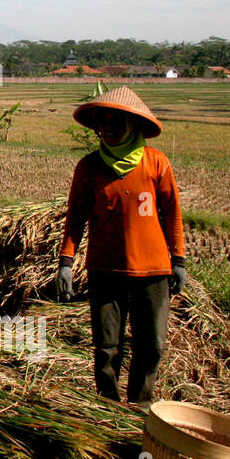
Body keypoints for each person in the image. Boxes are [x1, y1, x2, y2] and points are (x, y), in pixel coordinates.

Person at [56, 86, 187, 406]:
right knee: (106, 348)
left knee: (151, 345)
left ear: (132, 124)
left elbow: (172, 214)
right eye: (103, 122)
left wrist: (179, 259)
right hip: (105, 270)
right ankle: (109, 408)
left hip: (153, 271)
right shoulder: (89, 167)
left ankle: (140, 406)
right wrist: (66, 262)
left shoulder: (157, 164)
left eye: (116, 121)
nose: (109, 129)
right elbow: (75, 218)